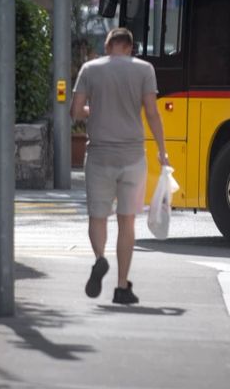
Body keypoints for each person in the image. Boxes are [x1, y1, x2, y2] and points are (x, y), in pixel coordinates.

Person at [70, 27, 169, 305]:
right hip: (133, 158)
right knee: (127, 222)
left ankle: (100, 259)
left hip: (99, 156)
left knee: (97, 217)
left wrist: (95, 109)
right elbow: (152, 112)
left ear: (108, 45)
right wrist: (162, 150)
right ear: (130, 47)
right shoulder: (144, 69)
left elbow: (76, 111)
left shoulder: (90, 68)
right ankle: (122, 287)